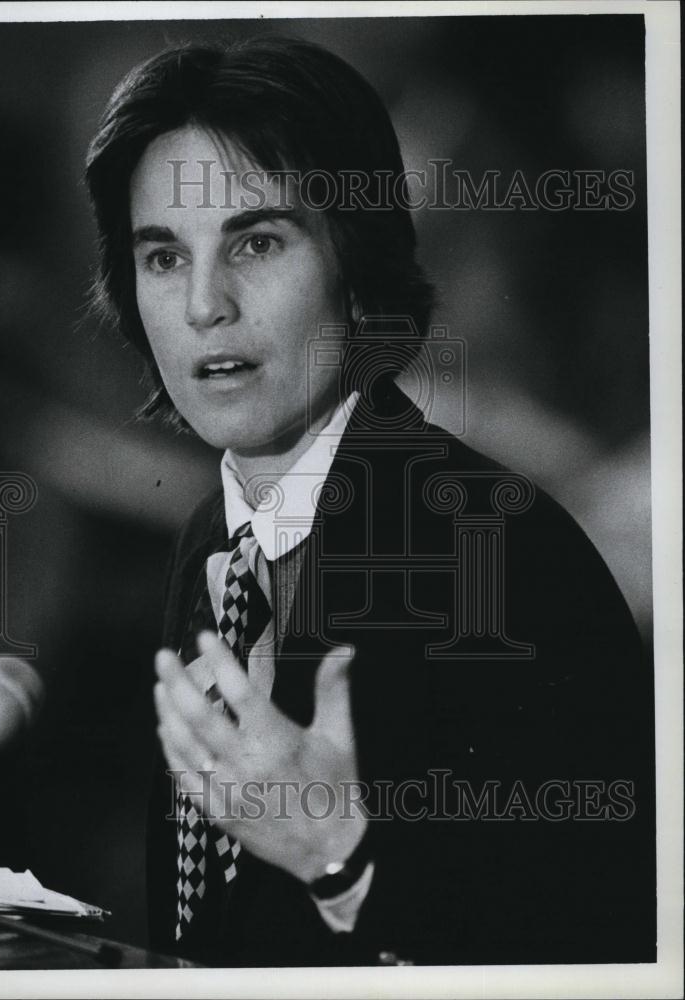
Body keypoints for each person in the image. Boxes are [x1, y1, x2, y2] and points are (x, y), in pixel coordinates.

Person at [85, 36, 655, 968]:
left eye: (256, 243)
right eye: (160, 258)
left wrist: (341, 860)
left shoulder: (503, 553)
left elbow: (604, 950)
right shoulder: (209, 544)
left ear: (357, 263)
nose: (202, 306)